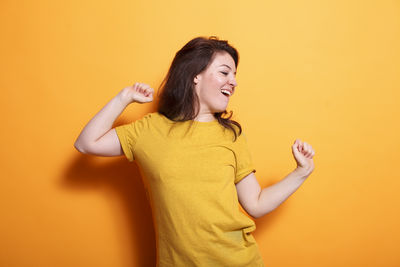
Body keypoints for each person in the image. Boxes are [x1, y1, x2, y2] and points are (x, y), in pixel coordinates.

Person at [74, 36, 315, 267]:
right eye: (224, 72)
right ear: (195, 76)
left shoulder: (231, 135)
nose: (234, 81)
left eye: (234, 75)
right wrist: (124, 98)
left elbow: (256, 203)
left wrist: (301, 172)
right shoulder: (149, 130)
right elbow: (87, 143)